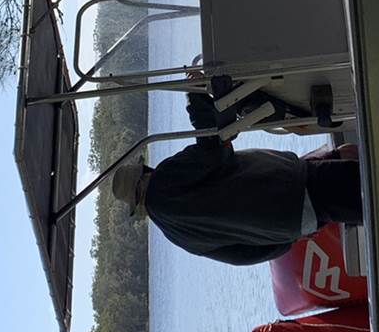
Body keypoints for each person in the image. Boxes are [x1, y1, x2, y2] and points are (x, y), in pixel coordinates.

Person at [110, 99, 362, 266]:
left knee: (360, 197)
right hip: (287, 186)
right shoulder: (164, 180)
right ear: (144, 172)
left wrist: (289, 237)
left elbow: (241, 256)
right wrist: (196, 101)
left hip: (294, 222)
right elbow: (212, 149)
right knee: (366, 189)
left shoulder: (177, 236)